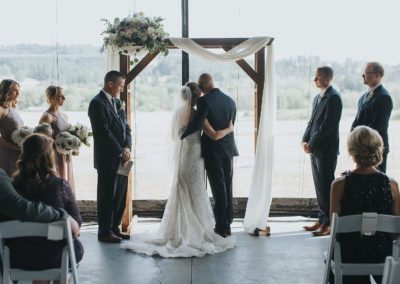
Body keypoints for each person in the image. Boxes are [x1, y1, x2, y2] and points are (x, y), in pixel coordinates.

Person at [121, 82, 234, 257]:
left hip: (183, 154)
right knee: (195, 188)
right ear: (197, 98)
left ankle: (176, 230)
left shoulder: (177, 114)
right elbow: (214, 135)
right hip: (195, 154)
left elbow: (175, 137)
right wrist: (229, 128)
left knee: (181, 186)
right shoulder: (196, 114)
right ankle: (196, 229)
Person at [330, 126, 400, 284]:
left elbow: (335, 231)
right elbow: (396, 231)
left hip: (350, 256)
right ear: (378, 149)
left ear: (351, 151)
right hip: (385, 256)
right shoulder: (392, 184)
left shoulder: (339, 185)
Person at [6, 133, 84, 274]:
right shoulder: (60, 186)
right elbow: (76, 224)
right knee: (61, 247)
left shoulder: (12, 188)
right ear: (49, 156)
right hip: (55, 256)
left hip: (19, 257)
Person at [180, 74, 238, 238]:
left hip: (213, 151)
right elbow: (231, 126)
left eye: (200, 86)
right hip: (229, 150)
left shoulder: (204, 102)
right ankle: (228, 223)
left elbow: (198, 124)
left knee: (219, 189)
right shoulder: (230, 101)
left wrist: (183, 135)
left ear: (204, 84)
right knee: (227, 186)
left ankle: (221, 227)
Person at [88, 70, 132, 243]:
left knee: (120, 194)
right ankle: (104, 231)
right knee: (106, 195)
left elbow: (126, 127)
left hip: (123, 158)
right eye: (120, 86)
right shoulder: (96, 103)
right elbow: (102, 133)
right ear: (110, 84)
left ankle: (115, 228)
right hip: (107, 159)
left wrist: (127, 146)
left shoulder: (117, 102)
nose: (121, 89)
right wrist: (120, 151)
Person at [301, 66, 343, 236]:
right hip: (314, 148)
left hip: (326, 149)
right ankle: (321, 219)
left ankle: (329, 224)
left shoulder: (334, 98)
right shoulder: (317, 98)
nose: (315, 80)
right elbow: (311, 122)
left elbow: (328, 126)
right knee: (319, 186)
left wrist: (312, 143)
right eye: (315, 77)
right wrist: (304, 140)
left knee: (327, 186)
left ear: (328, 78)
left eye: (318, 77)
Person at [351, 62, 393, 173]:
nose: (363, 76)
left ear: (377, 75)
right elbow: (357, 120)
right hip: (360, 147)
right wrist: (353, 138)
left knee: (377, 184)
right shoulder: (363, 97)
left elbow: (378, 126)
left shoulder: (384, 97)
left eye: (366, 73)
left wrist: (359, 139)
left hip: (375, 148)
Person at [39, 85, 75, 191]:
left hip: (65, 156)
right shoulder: (47, 117)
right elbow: (42, 141)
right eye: (60, 96)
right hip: (53, 156)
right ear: (51, 98)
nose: (64, 98)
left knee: (65, 183)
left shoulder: (64, 115)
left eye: (63, 95)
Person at [0, 79, 24, 177]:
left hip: (18, 153)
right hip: (7, 153)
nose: (18, 93)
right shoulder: (1, 109)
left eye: (18, 91)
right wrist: (14, 147)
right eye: (14, 90)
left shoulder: (13, 108)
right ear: (5, 90)